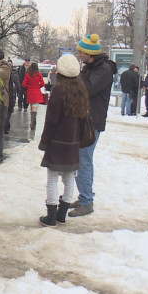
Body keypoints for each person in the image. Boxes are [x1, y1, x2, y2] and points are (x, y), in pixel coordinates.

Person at [37, 54, 89, 226]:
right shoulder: (81, 90)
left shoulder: (58, 90)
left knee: (52, 179)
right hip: (73, 142)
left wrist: (44, 141)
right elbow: (83, 119)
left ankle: (51, 215)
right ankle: (61, 215)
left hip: (57, 142)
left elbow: (51, 120)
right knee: (68, 178)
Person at [69, 34, 116, 217]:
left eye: (81, 53)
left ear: (90, 54)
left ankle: (87, 201)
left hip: (92, 121)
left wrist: (72, 77)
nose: (79, 55)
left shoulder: (102, 70)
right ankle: (84, 197)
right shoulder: (91, 67)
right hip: (85, 119)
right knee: (82, 160)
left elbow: (86, 89)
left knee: (83, 160)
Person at [22, 62, 46, 130]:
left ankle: (32, 120)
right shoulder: (39, 74)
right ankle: (33, 118)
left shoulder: (28, 74)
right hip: (37, 92)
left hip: (30, 92)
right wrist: (38, 86)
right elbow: (43, 84)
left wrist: (29, 86)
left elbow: (24, 84)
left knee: (31, 106)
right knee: (35, 106)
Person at [6, 59, 20, 134]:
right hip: (6, 93)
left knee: (9, 110)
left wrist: (18, 92)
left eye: (10, 64)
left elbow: (17, 83)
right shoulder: (4, 71)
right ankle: (6, 125)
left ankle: (6, 125)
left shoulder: (14, 73)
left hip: (12, 94)